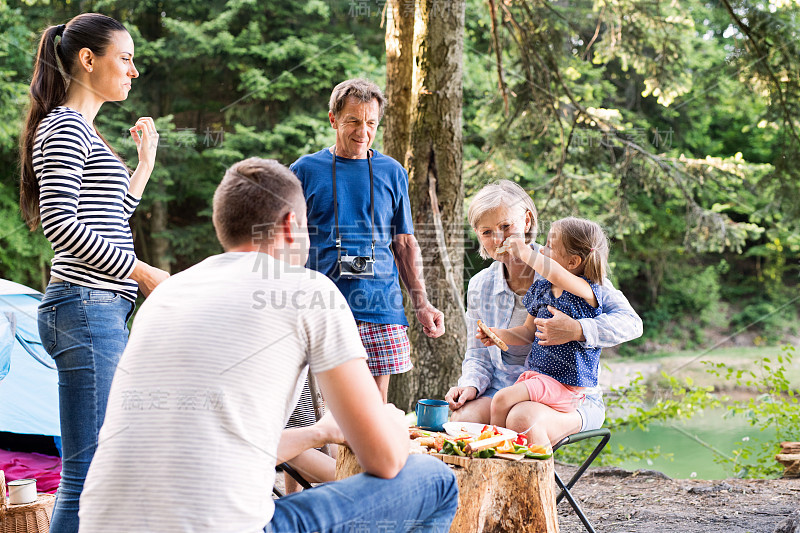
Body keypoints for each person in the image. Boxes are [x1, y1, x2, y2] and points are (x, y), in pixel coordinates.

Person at [78, 158, 458, 532]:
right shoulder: (311, 291)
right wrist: (388, 421)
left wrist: (319, 432)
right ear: (291, 225)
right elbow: (385, 462)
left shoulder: (167, 294)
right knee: (435, 480)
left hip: (101, 523)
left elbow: (223, 451)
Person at [18, 13, 169, 532]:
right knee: (88, 470)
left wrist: (143, 165)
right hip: (84, 308)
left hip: (97, 308)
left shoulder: (82, 130)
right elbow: (63, 229)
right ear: (89, 59)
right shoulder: (62, 128)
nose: (133, 70)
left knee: (102, 465)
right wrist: (144, 272)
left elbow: (106, 220)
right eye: (124, 58)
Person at [444, 181, 642, 446]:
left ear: (527, 221)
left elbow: (631, 323)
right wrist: (470, 384)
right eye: (487, 232)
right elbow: (478, 356)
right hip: (505, 390)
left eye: (505, 227)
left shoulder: (567, 269)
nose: (498, 239)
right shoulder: (481, 285)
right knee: (460, 422)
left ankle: (536, 487)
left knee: (522, 420)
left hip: (567, 393)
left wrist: (578, 329)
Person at [289, 78, 444, 402]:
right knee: (319, 412)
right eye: (353, 121)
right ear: (333, 119)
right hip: (321, 308)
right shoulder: (304, 170)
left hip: (381, 306)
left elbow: (404, 243)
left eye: (371, 123)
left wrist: (421, 302)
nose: (363, 131)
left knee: (373, 411)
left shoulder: (393, 172)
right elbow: (287, 240)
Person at [481, 217, 613, 434]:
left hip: (565, 385)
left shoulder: (586, 291)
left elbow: (556, 273)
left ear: (572, 262)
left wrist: (524, 252)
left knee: (501, 400)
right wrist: (499, 334)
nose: (542, 251)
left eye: (550, 247)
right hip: (538, 376)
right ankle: (507, 452)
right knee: (507, 406)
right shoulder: (542, 289)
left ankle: (493, 450)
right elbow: (526, 332)